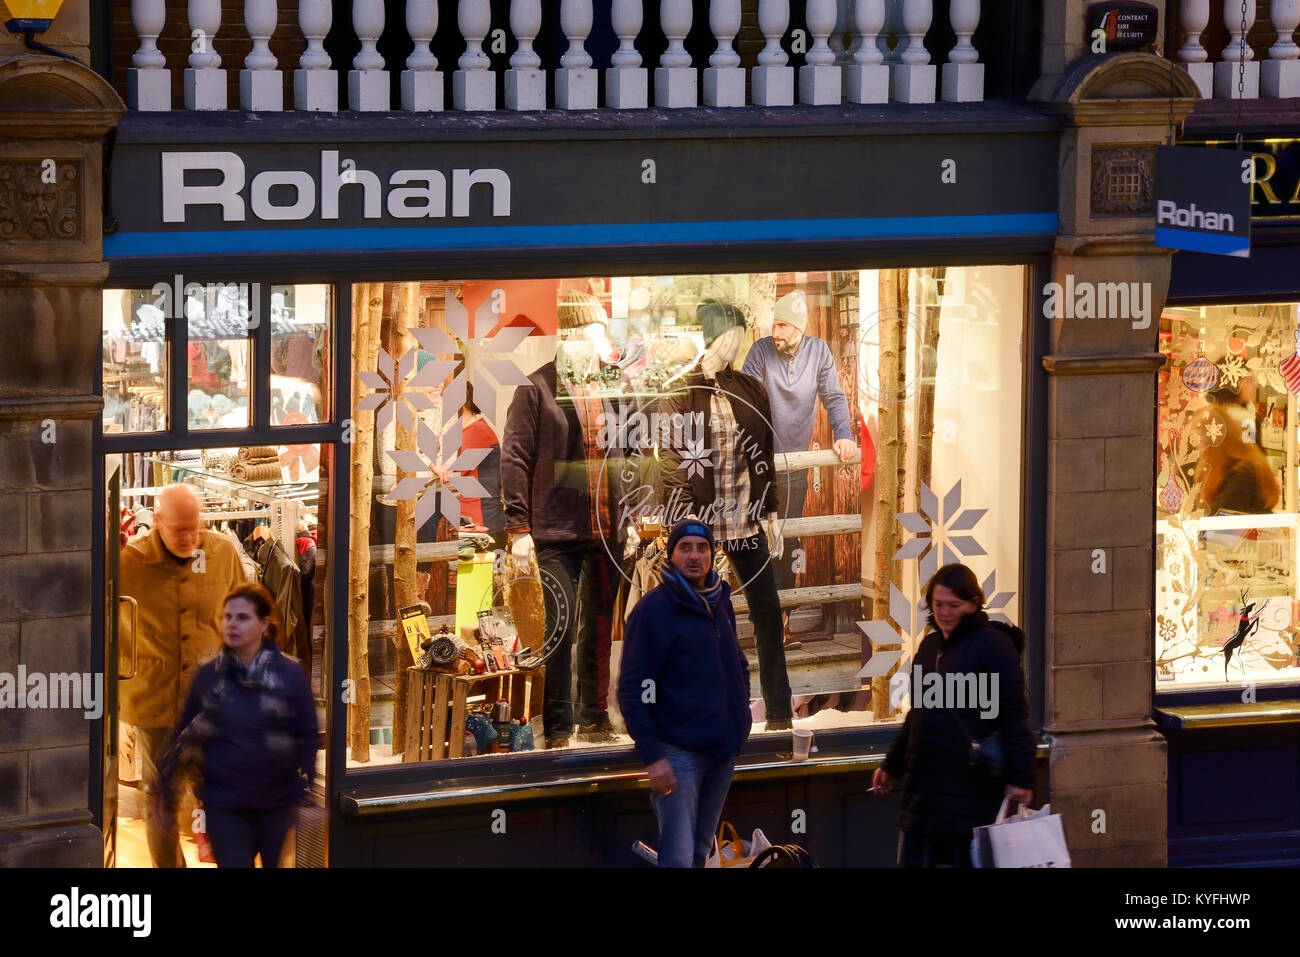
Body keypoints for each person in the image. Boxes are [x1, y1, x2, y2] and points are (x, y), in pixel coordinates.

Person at [658, 299, 794, 730]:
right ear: (712, 336)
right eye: (730, 334)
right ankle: (707, 711)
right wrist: (682, 523)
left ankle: (778, 712)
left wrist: (770, 509)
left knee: (768, 613)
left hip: (745, 520)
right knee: (703, 618)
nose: (737, 343)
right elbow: (671, 458)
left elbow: (764, 454)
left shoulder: (750, 388)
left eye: (740, 335)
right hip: (702, 523)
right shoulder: (681, 389)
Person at [119, 482, 248, 868]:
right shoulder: (131, 562)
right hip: (155, 703)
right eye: (179, 529)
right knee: (162, 797)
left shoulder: (223, 553)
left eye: (196, 526)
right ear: (157, 522)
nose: (190, 537)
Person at [872, 563, 1035, 868]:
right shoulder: (929, 645)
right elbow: (918, 713)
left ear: (974, 604)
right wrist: (892, 765)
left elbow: (1014, 715)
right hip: (924, 791)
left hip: (969, 790)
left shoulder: (993, 645)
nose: (944, 613)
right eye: (938, 605)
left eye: (954, 605)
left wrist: (1021, 777)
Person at [618, 519, 752, 868]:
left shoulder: (720, 601)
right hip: (678, 754)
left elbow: (738, 664)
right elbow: (636, 688)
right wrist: (652, 753)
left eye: (702, 548)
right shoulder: (652, 611)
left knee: (699, 852)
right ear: (671, 553)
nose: (695, 556)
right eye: (686, 548)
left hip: (722, 750)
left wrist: (741, 718)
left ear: (712, 553)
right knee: (678, 859)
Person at [156, 583, 318, 868]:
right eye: (227, 617)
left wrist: (305, 792)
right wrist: (166, 790)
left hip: (276, 803)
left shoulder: (290, 674)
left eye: (242, 617)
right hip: (224, 803)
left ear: (264, 624)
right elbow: (182, 735)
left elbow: (306, 735)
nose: (231, 624)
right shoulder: (209, 675)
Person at [741, 289, 857, 599]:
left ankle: (785, 615)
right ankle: (763, 613)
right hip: (760, 467)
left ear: (798, 327)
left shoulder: (819, 352)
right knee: (760, 540)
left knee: (791, 540)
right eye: (773, 324)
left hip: (795, 469)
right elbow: (745, 401)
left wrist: (843, 433)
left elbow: (833, 396)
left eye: (782, 326)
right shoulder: (760, 351)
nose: (774, 332)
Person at [1195, 379, 1279, 515]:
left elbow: (1252, 453)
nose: (1255, 386)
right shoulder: (1218, 419)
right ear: (1233, 383)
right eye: (1249, 381)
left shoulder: (1248, 418)